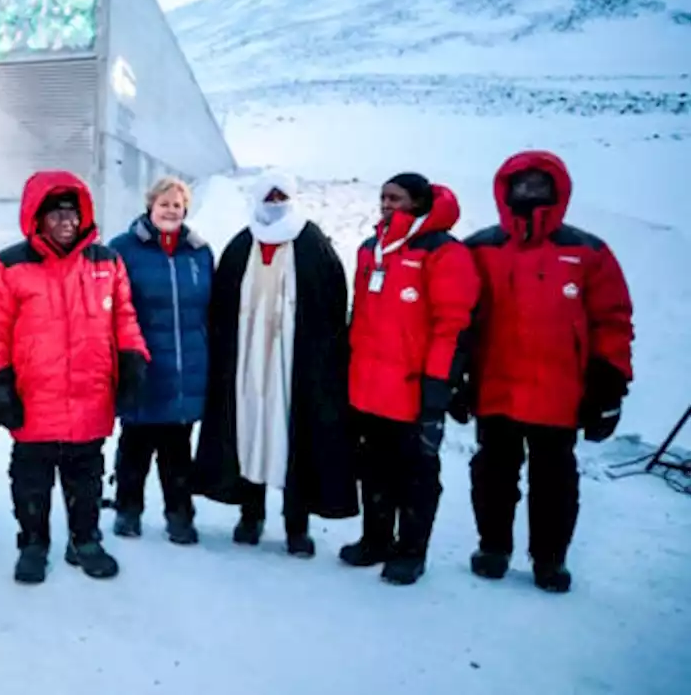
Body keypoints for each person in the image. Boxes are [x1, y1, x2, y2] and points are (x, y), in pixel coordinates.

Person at [463, 150, 633, 593]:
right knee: (492, 474)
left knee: (555, 481)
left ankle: (549, 560)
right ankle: (493, 547)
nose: (530, 194)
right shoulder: (481, 248)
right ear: (504, 190)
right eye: (521, 185)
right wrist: (455, 375)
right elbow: (458, 315)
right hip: (494, 387)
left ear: (559, 192)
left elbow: (612, 320)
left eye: (540, 186)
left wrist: (608, 384)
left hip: (559, 393)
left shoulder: (588, 251)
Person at [0, 170, 149, 585]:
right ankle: (33, 544)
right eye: (55, 215)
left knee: (86, 478)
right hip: (34, 398)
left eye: (72, 213)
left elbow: (124, 317)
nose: (66, 222)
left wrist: (133, 359)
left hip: (90, 395)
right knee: (31, 480)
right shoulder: (9, 265)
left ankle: (84, 540)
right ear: (37, 218)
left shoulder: (106, 261)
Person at [192, 171, 358, 556]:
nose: (276, 203)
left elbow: (331, 304)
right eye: (269, 196)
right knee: (249, 432)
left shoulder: (312, 243)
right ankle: (251, 515)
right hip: (247, 360)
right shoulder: (241, 244)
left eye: (282, 196)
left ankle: (295, 525)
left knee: (293, 436)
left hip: (295, 364)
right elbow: (220, 307)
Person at [341, 173, 479, 585]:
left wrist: (440, 384)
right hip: (368, 386)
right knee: (373, 468)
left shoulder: (443, 253)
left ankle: (411, 551)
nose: (386, 204)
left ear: (418, 203)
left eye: (395, 198)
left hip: (413, 388)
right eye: (383, 197)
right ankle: (376, 539)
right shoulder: (372, 249)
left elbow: (452, 324)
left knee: (416, 474)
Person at [107, 176, 214, 545]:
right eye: (164, 203)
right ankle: (128, 510)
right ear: (150, 206)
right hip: (142, 363)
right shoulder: (122, 249)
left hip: (186, 366)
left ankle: (179, 516)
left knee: (177, 450)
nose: (171, 210)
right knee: (136, 444)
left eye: (178, 205)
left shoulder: (199, 252)